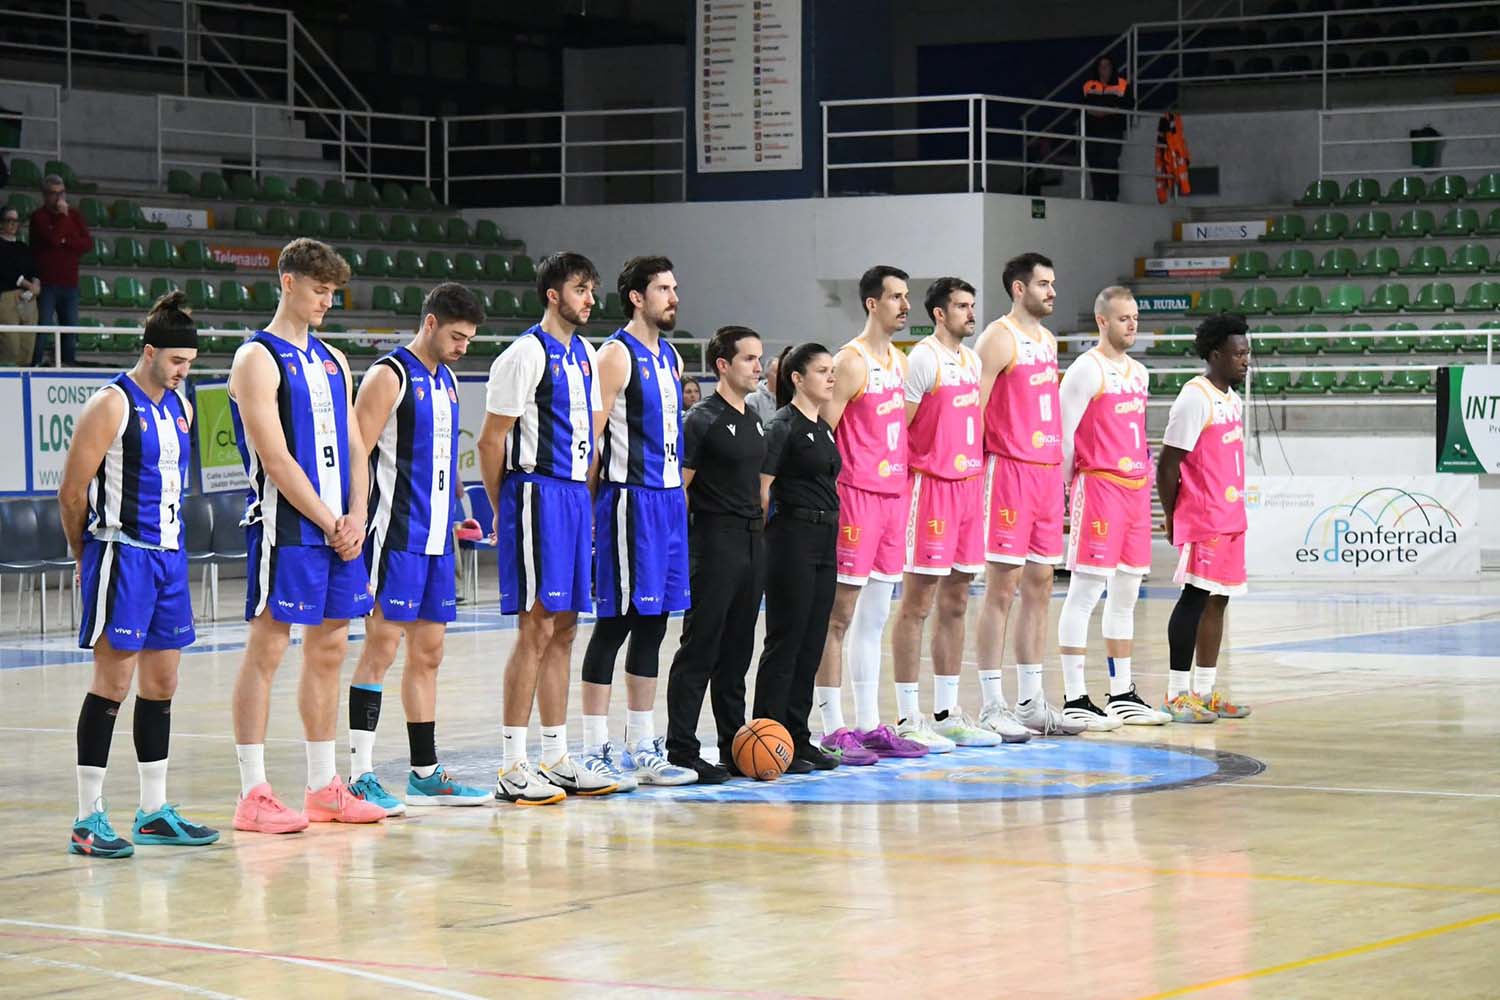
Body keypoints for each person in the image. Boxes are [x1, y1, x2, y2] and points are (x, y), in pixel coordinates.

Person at [228, 238, 384, 834]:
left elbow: (355, 446)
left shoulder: (334, 360)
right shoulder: (256, 358)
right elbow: (274, 457)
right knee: (266, 651)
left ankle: (323, 786)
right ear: (288, 282)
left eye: (332, 292)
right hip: (288, 526)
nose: (327, 300)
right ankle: (253, 792)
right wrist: (328, 519)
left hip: (341, 530)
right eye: (319, 289)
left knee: (328, 650)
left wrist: (357, 513)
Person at [56, 291, 217, 858]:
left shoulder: (182, 405)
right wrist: (84, 555)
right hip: (120, 554)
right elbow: (72, 491)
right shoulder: (111, 404)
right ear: (149, 352)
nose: (182, 373)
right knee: (113, 685)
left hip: (168, 558)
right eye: (176, 362)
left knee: (163, 683)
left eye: (189, 365)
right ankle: (86, 818)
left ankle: (153, 810)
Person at [342, 282, 492, 814]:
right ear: (430, 323)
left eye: (469, 339)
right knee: (381, 650)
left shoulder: (448, 380)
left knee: (429, 654)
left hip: (436, 539)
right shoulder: (389, 375)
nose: (462, 347)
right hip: (394, 535)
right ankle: (359, 774)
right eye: (456, 336)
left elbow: (444, 461)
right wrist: (356, 522)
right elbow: (356, 450)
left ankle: (425, 772)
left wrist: (459, 516)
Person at [477, 251, 617, 804]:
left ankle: (556, 756)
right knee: (535, 629)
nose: (590, 298)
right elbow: (491, 442)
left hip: (573, 497)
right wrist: (502, 506)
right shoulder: (524, 356)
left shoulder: (585, 354)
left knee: (565, 629)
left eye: (593, 289)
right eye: (581, 289)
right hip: (534, 492)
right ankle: (513, 763)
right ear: (553, 295)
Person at [891, 278, 1024, 748]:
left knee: (957, 601)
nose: (971, 313)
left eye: (973, 305)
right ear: (939, 314)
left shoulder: (970, 360)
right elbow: (898, 427)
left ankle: (946, 712)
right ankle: (908, 716)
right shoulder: (923, 359)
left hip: (970, 490)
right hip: (931, 490)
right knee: (917, 603)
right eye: (962, 307)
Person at [579, 256, 697, 788]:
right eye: (664, 289)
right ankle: (592, 746)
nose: (674, 297)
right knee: (616, 621)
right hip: (629, 501)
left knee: (655, 623)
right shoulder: (615, 355)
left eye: (675, 287)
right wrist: (587, 513)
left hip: (670, 502)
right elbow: (592, 442)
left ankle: (643, 741)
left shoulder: (670, 357)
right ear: (636, 297)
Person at [813, 265, 924, 763]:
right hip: (855, 496)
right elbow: (822, 432)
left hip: (892, 496)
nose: (905, 305)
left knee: (875, 618)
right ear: (871, 304)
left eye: (907, 297)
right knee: (839, 615)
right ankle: (831, 725)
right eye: (896, 298)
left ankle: (867, 722)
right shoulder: (851, 361)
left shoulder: (898, 362)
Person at [973, 253, 1086, 737]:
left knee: (1041, 584)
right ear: (1019, 289)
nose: (1052, 291)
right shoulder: (998, 337)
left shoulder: (1047, 339)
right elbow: (972, 409)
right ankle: (991, 702)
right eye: (1043, 284)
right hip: (1008, 471)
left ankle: (1030, 701)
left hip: (1044, 475)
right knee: (1002, 586)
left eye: (1053, 283)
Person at [1056, 287, 1172, 730]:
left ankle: (1122, 692)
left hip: (1135, 489)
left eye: (1136, 317)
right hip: (1098, 486)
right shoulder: (1085, 371)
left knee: (1126, 593)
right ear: (1102, 321)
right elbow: (1065, 438)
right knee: (1085, 591)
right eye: (1124, 318)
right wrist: (1067, 492)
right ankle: (1074, 696)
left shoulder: (1139, 373)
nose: (1132, 324)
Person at [664, 326, 768, 783]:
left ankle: (733, 745)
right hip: (714, 541)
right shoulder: (701, 419)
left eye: (760, 358)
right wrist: (683, 550)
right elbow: (681, 489)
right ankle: (682, 749)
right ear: (722, 365)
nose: (758, 367)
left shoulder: (754, 418)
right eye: (749, 359)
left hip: (751, 540)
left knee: (738, 651)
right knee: (700, 647)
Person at [753, 343, 846, 771]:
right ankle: (769, 733)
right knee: (786, 639)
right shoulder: (782, 426)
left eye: (832, 370)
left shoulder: (824, 426)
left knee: (812, 642)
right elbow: (762, 488)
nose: (831, 377)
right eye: (822, 371)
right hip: (791, 537)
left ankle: (798, 735)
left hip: (826, 538)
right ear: (797, 378)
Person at [1158, 313, 1253, 723]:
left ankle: (1206, 691)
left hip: (1230, 515)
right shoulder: (1194, 397)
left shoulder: (1232, 399)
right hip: (1202, 516)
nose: (1246, 361)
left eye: (1248, 353)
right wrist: (1171, 514)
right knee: (1194, 599)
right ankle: (1178, 694)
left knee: (1220, 600)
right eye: (1239, 353)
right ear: (1216, 354)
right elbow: (1167, 463)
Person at [29, 173, 92, 366]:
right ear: (45, 195)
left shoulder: (75, 215)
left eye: (61, 193)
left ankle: (67, 365)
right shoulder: (39, 217)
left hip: (69, 283)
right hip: (47, 282)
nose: (59, 198)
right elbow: (54, 240)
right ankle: (36, 364)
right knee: (43, 328)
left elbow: (87, 243)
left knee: (70, 328)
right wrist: (63, 220)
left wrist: (67, 240)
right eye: (54, 194)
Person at [1082, 56, 1129, 202]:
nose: (1104, 69)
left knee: (1109, 162)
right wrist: (1092, 111)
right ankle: (1099, 195)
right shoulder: (1089, 85)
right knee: (1095, 163)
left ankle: (1112, 195)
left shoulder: (1122, 84)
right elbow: (1080, 104)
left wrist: (1108, 111)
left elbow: (1128, 104)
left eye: (1107, 65)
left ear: (1112, 67)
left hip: (1112, 131)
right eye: (1101, 66)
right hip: (1092, 131)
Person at [0, 204, 41, 366]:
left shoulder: (23, 247)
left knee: (27, 346)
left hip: (28, 298)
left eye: (16, 221)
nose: (13, 224)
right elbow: (5, 270)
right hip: (7, 297)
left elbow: (34, 269)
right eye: (9, 220)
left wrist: (36, 285)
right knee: (11, 345)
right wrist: (27, 283)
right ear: (2, 222)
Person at [745, 354, 779, 423]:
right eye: (777, 372)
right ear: (767, 375)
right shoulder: (753, 398)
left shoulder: (790, 396)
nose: (781, 376)